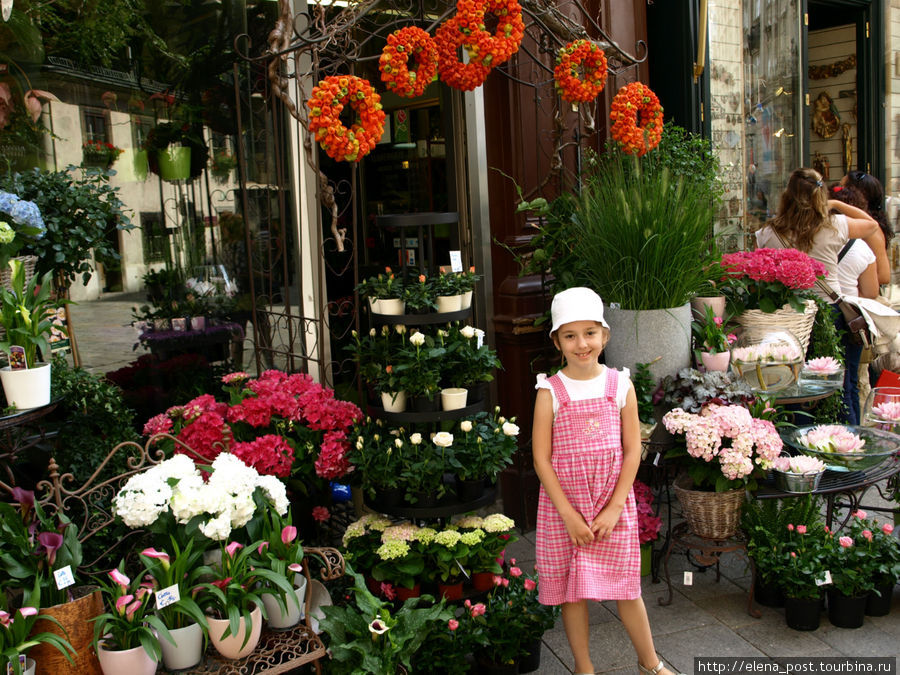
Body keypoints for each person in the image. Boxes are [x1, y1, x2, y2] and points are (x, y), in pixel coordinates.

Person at [532, 287, 678, 675]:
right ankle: (584, 667)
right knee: (572, 593)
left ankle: (650, 663)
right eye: (570, 335)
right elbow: (541, 459)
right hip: (567, 509)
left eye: (590, 333)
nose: (582, 344)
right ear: (557, 341)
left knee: (627, 587)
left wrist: (614, 507)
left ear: (605, 335)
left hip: (611, 506)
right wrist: (568, 515)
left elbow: (633, 451)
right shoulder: (549, 392)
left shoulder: (620, 386)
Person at [756, 168, 878, 424]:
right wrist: (836, 204)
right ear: (819, 195)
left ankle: (801, 449)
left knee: (795, 388)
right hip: (832, 313)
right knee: (841, 387)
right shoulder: (835, 225)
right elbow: (872, 225)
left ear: (787, 196)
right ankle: (846, 449)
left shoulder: (769, 233)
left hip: (792, 318)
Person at [841, 170, 893, 285]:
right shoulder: (848, 222)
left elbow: (883, 276)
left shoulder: (871, 230)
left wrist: (851, 283)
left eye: (841, 189)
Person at [830, 185, 879, 299]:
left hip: (811, 310)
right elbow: (870, 293)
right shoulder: (862, 248)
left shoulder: (809, 239)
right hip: (848, 310)